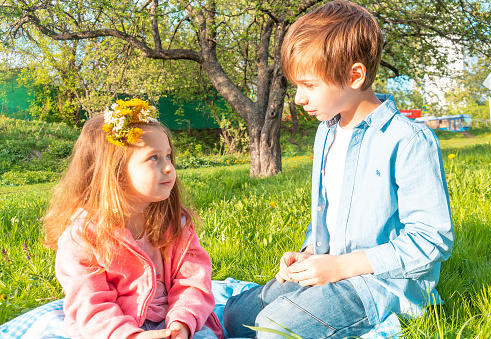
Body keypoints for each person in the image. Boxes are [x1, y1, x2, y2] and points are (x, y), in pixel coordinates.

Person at [223, 1, 454, 338]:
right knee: (234, 317)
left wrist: (341, 266)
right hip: (332, 267)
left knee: (274, 328)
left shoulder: (408, 140)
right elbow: (331, 214)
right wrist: (310, 252)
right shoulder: (327, 132)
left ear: (354, 76)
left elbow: (431, 239)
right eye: (297, 85)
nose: (299, 98)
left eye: (310, 85)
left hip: (380, 284)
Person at [43, 98, 223, 339]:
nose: (169, 167)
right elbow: (90, 302)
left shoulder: (173, 223)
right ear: (115, 171)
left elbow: (193, 279)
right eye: (154, 158)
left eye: (168, 156)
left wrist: (184, 322)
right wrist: (130, 336)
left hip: (172, 324)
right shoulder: (84, 236)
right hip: (112, 331)